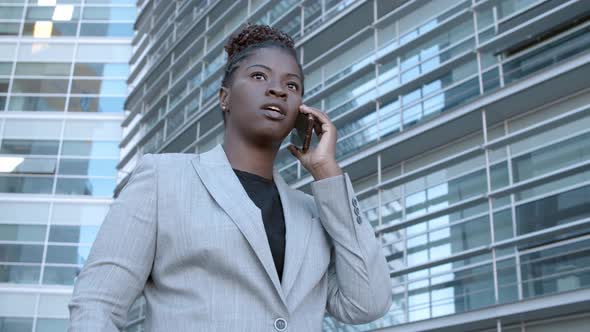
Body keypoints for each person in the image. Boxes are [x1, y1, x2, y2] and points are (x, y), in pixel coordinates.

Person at [68, 23, 391, 332]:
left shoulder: (312, 211)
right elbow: (98, 303)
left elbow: (367, 303)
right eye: (259, 76)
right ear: (224, 97)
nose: (278, 89)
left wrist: (327, 173)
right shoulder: (163, 178)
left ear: (300, 114)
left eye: (291, 85)